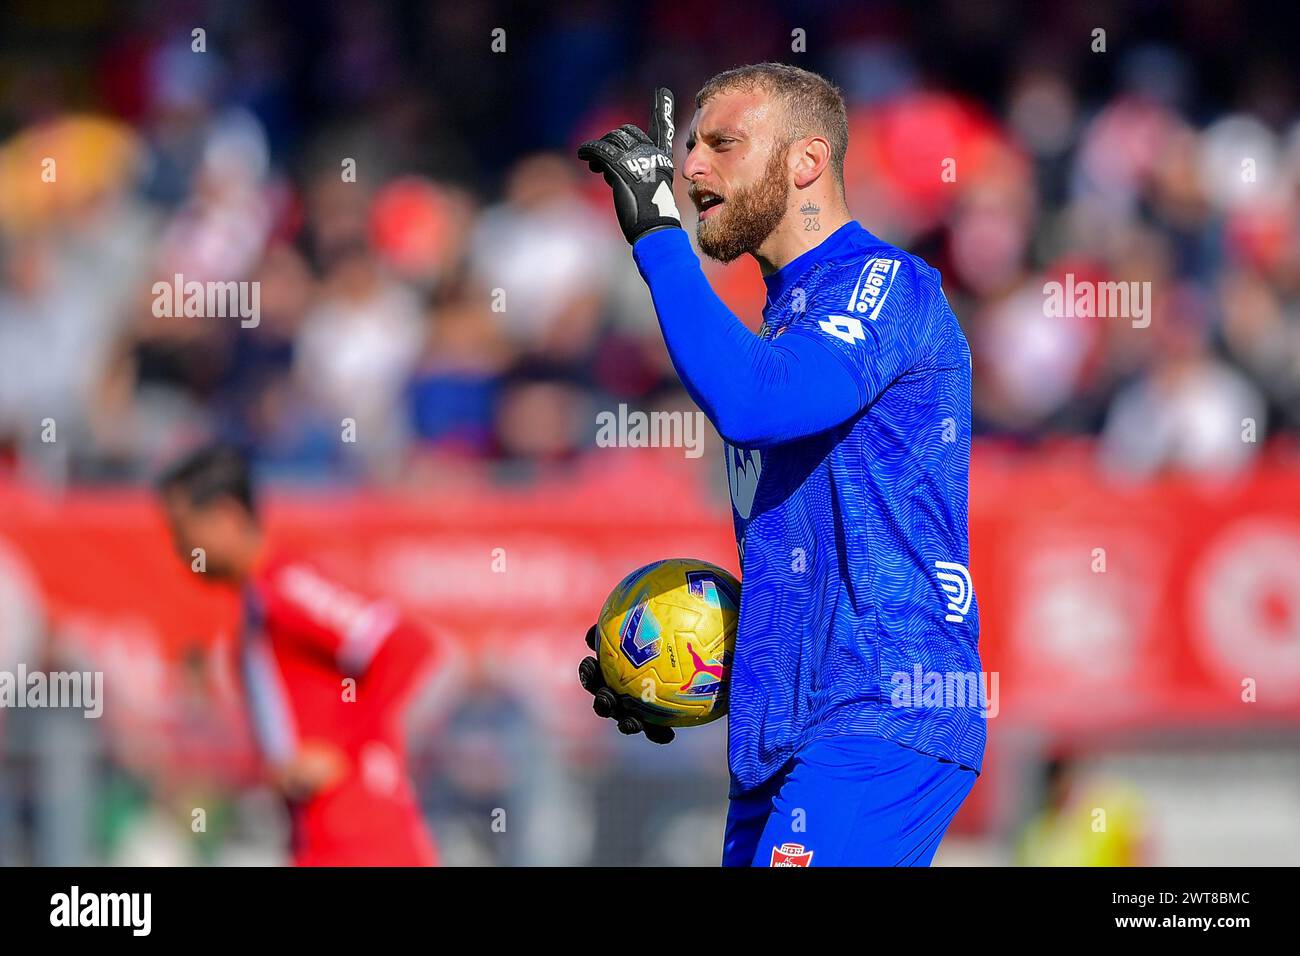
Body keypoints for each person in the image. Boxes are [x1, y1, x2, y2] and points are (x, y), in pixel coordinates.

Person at [577, 63, 985, 866]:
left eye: (721, 144)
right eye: (689, 148)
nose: (690, 168)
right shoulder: (785, 322)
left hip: (885, 706)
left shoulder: (887, 284)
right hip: (786, 726)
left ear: (805, 162)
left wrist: (658, 237)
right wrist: (677, 665)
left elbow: (755, 403)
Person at [157, 445, 439, 865]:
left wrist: (342, 749)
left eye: (183, 531)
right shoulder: (255, 612)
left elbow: (406, 644)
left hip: (362, 841)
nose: (180, 550)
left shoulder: (286, 586)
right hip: (317, 837)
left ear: (227, 517)